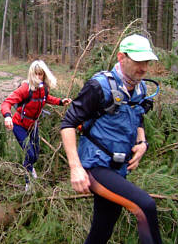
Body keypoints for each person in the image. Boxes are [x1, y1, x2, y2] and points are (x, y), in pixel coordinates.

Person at [60, 34, 162, 244]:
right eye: (138, 61)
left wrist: (142, 143)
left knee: (103, 228)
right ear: (121, 57)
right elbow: (68, 123)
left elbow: (138, 117)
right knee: (145, 206)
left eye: (147, 62)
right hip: (95, 166)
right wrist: (75, 167)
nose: (143, 68)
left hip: (119, 167)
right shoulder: (99, 86)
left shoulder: (140, 87)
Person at [1, 60, 72, 191]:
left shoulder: (44, 88)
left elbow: (47, 98)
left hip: (33, 125)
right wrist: (7, 116)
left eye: (41, 74)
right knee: (30, 154)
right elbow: (7, 102)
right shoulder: (25, 89)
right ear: (31, 74)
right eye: (36, 74)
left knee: (36, 154)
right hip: (19, 125)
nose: (39, 77)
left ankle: (30, 167)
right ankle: (28, 183)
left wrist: (61, 102)